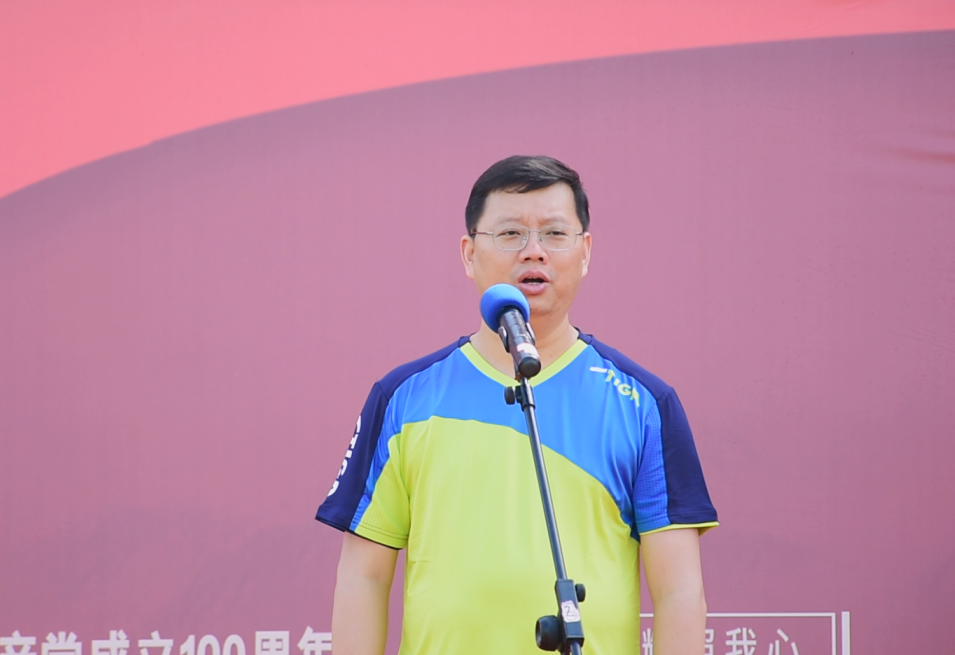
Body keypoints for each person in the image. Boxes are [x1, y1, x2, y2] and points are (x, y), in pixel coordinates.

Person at [316, 155, 718, 655]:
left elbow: (679, 591)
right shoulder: (404, 398)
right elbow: (364, 577)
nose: (534, 252)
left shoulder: (644, 404)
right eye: (510, 234)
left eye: (554, 234)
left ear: (585, 252)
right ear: (469, 254)